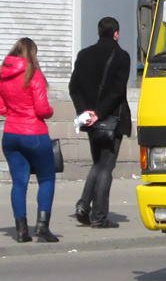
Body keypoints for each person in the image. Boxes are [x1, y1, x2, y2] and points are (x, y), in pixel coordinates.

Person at [69, 16, 132, 228]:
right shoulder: (121, 56)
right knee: (107, 166)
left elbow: (74, 88)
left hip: (90, 122)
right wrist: (99, 113)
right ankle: (99, 216)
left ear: (99, 32)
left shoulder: (83, 55)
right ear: (116, 33)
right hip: (111, 120)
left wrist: (85, 113)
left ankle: (83, 205)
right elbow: (117, 92)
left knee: (98, 163)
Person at [0, 38, 59, 243]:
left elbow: (1, 108)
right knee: (46, 179)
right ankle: (42, 226)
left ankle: (21, 231)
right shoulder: (34, 75)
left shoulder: (3, 75)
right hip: (34, 133)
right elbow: (42, 110)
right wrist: (51, 111)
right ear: (32, 53)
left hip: (10, 134)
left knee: (19, 183)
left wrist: (13, 113)